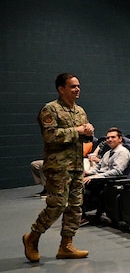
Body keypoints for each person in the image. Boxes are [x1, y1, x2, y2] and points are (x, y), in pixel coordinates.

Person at [22, 73, 95, 262]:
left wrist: (88, 133)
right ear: (61, 89)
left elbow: (84, 139)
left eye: (78, 86)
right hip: (58, 167)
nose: (77, 89)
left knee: (75, 206)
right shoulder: (50, 109)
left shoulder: (80, 111)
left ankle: (66, 245)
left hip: (77, 166)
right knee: (57, 205)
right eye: (73, 86)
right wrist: (76, 131)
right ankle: (32, 237)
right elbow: (50, 136)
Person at [82, 127, 130, 222]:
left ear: (120, 139)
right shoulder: (108, 152)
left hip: (109, 180)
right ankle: (82, 213)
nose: (109, 140)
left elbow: (117, 171)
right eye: (108, 138)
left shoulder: (123, 152)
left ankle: (84, 215)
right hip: (100, 178)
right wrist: (88, 173)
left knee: (81, 187)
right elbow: (98, 167)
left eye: (113, 137)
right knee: (77, 181)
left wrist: (96, 176)